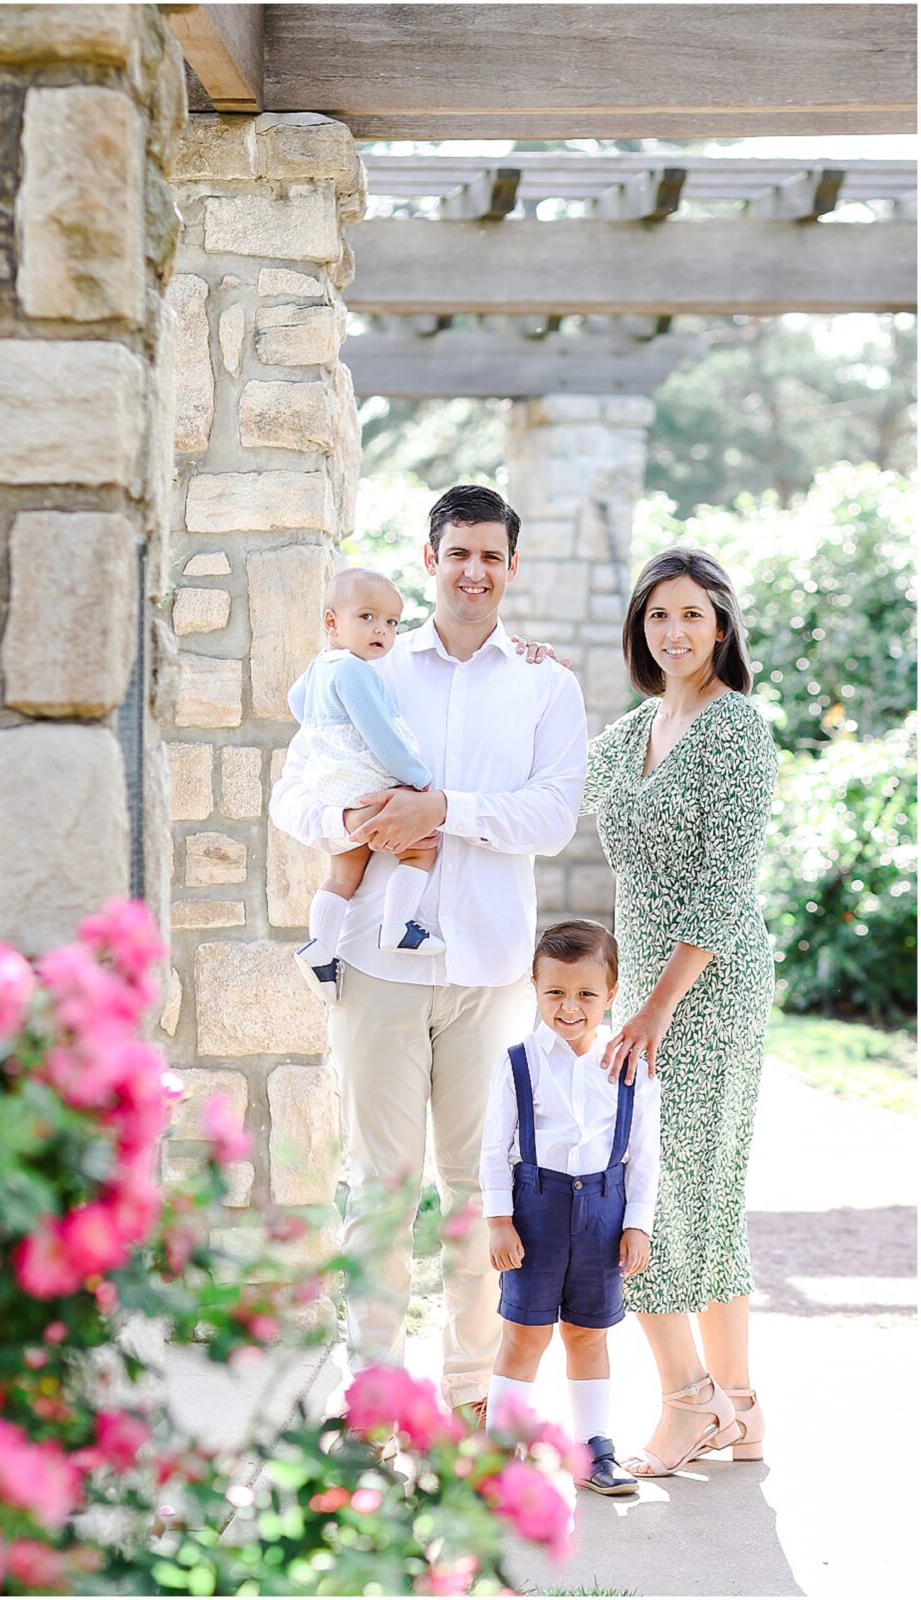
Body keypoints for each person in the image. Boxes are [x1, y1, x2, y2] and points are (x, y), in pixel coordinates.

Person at [269, 484, 588, 1419]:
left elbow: (554, 815)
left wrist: (444, 810)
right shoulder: (366, 662)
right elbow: (297, 794)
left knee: (479, 1189)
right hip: (378, 964)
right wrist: (360, 824)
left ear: (511, 566)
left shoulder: (544, 682)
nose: (474, 571)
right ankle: (373, 1393)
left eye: (491, 555)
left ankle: (470, 1391)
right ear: (429, 559)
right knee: (378, 1184)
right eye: (458, 554)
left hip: (489, 972)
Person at [580, 546, 778, 1476]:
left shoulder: (738, 732)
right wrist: (530, 677)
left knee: (644, 1192)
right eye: (658, 615)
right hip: (646, 989)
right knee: (696, 1191)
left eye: (692, 615)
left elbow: (720, 887)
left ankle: (686, 1401)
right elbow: (543, 791)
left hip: (709, 985)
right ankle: (738, 1407)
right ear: (639, 626)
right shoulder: (625, 738)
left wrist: (654, 1008)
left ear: (721, 626)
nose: (674, 632)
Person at [480, 919, 660, 1495]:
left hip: (605, 1213)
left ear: (611, 995)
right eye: (554, 991)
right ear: (534, 988)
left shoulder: (631, 1065)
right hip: (536, 1209)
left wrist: (637, 1225)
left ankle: (594, 1450)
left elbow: (643, 1157)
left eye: (586, 993)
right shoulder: (517, 1063)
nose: (570, 1006)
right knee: (524, 1333)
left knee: (589, 1334)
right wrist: (498, 1219)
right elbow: (492, 1147)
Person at [289, 566, 446, 1005]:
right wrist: (417, 779)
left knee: (344, 871)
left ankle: (320, 947)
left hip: (333, 786)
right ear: (331, 622)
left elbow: (295, 702)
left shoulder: (321, 665)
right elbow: (380, 735)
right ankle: (397, 927)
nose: (382, 629)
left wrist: (324, 734)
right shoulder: (355, 672)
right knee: (421, 846)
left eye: (391, 622)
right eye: (368, 617)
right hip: (368, 782)